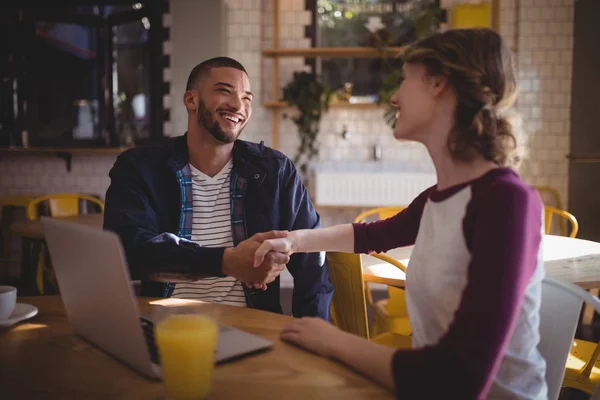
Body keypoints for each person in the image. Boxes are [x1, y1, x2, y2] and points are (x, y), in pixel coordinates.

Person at [254, 29, 547, 399]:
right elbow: (372, 236)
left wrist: (333, 340)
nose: (394, 97)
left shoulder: (506, 201)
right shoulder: (437, 199)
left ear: (439, 82)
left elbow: (459, 379)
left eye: (406, 78)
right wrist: (293, 240)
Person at [103, 57, 333, 319]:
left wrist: (312, 331)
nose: (238, 105)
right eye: (225, 91)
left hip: (253, 328)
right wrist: (227, 262)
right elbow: (127, 250)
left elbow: (313, 261)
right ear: (191, 100)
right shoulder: (139, 167)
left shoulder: (276, 171)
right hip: (166, 328)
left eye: (247, 98)